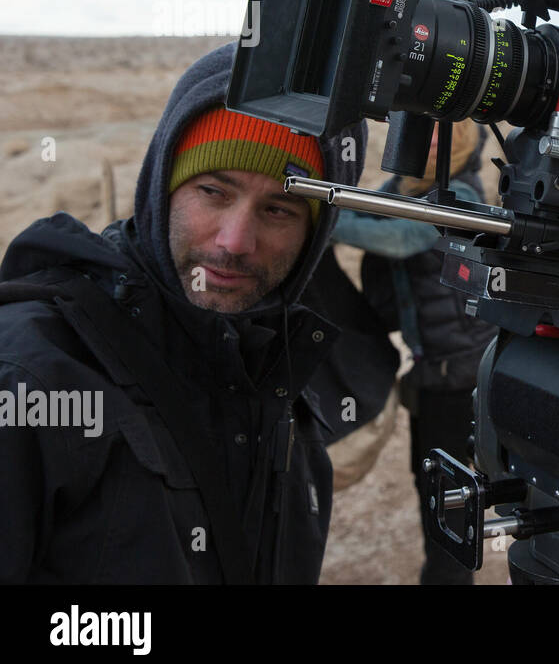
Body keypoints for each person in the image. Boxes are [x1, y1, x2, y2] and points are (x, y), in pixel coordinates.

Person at [0, 42, 391, 583]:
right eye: (213, 190)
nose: (234, 242)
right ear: (162, 187)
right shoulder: (33, 378)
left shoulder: (279, 382)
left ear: (314, 235)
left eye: (278, 208)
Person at [331, 120, 497, 585]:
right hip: (432, 378)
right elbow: (371, 211)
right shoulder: (404, 188)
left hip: (467, 380)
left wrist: (324, 217)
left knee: (453, 502)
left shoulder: (461, 195)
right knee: (433, 492)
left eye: (449, 131)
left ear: (465, 139)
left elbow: (401, 238)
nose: (435, 140)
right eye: (427, 129)